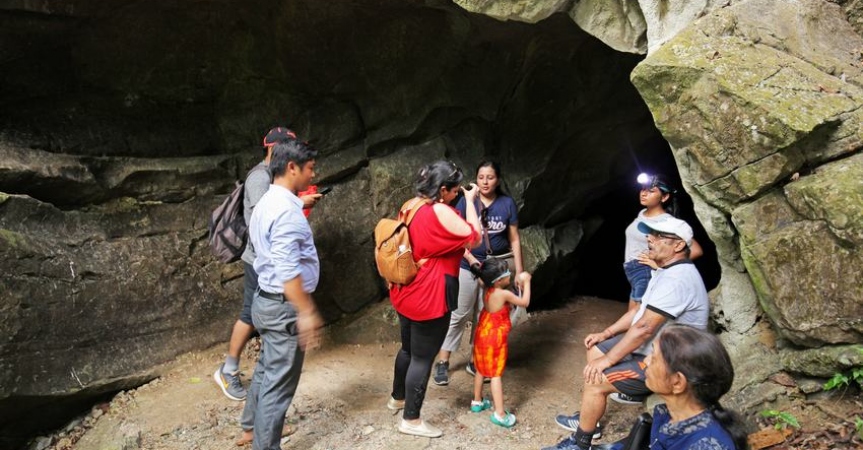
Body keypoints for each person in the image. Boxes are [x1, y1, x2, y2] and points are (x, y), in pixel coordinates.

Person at [543, 216, 709, 450]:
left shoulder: (678, 279)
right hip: (654, 349)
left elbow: (644, 328)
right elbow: (639, 312)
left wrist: (609, 361)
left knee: (596, 380)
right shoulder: (665, 270)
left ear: (679, 245)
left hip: (671, 364)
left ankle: (580, 443)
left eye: (658, 236)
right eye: (650, 234)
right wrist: (606, 333)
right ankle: (592, 418)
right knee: (596, 349)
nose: (649, 238)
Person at [213, 127, 324, 406]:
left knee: (255, 316)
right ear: (276, 150)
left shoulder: (272, 178)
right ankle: (228, 369)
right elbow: (263, 223)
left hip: (267, 261)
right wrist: (298, 204)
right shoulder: (260, 178)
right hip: (260, 261)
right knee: (249, 314)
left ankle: (251, 407)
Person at [387, 160, 482, 438]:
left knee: (408, 349)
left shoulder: (411, 204)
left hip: (407, 287)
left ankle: (397, 398)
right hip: (430, 293)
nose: (457, 193)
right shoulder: (441, 210)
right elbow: (474, 237)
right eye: (455, 190)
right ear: (442, 190)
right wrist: (471, 201)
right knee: (423, 358)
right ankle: (411, 419)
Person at [241, 139, 324, 450]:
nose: (312, 175)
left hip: (265, 299)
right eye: (310, 169)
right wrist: (307, 311)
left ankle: (251, 426)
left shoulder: (268, 201)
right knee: (278, 388)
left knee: (267, 370)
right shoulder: (286, 213)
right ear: (292, 167)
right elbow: (289, 271)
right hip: (283, 307)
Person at [615, 172, 703, 406]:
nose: (644, 193)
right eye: (643, 189)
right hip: (635, 273)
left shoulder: (668, 222)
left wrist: (660, 266)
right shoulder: (643, 215)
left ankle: (633, 383)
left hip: (645, 273)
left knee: (641, 323)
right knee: (633, 319)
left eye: (651, 190)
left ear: (664, 197)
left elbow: (695, 250)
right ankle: (629, 376)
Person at [434, 159, 523, 386]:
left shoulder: (507, 204)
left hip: (494, 268)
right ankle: (443, 361)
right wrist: (470, 259)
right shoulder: (466, 202)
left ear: (498, 180)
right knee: (459, 313)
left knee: (485, 316)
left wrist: (520, 271)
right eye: (481, 177)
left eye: (490, 177)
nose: (485, 182)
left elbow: (514, 239)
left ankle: (476, 362)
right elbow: (455, 236)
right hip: (467, 264)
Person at [641, 324, 749, 449]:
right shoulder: (669, 415)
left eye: (654, 358)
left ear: (677, 382)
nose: (646, 361)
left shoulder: (706, 445)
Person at [468, 258, 531, 428]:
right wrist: (527, 281)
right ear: (498, 281)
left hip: (482, 332)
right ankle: (500, 414)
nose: (510, 274)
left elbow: (480, 271)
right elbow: (524, 302)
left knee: (480, 368)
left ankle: (477, 401)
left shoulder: (485, 284)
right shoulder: (503, 294)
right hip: (494, 338)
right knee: (495, 374)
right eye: (507, 274)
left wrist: (469, 258)